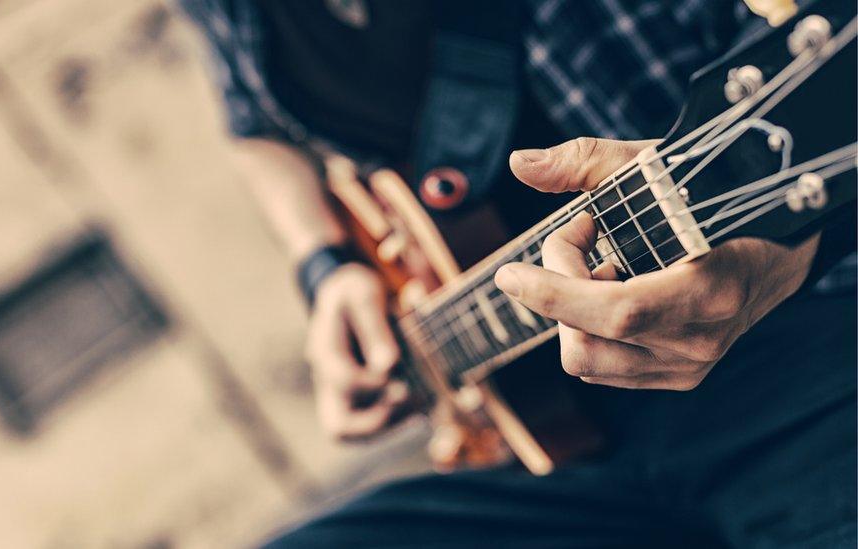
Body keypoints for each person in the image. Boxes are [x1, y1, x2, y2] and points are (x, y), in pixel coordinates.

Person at [179, 0, 857, 546]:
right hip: (565, 441)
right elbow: (256, 133)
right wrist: (326, 267)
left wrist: (787, 251)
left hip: (808, 335)